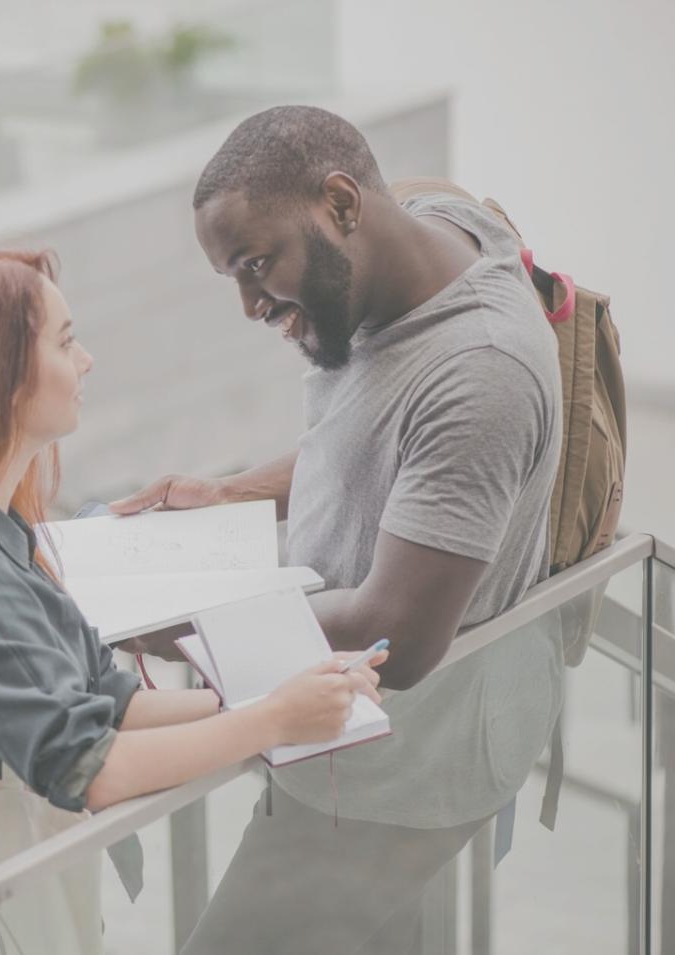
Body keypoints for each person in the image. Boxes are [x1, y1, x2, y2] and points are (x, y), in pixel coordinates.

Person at [111, 106, 565, 953]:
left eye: (256, 264)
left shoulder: (481, 373)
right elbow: (380, 435)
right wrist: (234, 493)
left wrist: (179, 616)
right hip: (345, 743)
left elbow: (392, 637)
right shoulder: (418, 245)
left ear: (342, 204)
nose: (250, 304)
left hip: (395, 779)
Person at [0, 246, 382, 824]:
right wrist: (274, 718)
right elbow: (87, 769)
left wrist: (291, 692)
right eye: (65, 341)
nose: (87, 359)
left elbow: (113, 703)